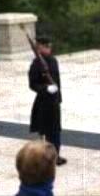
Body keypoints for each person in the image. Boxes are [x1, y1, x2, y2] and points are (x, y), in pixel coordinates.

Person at [28, 35, 67, 166]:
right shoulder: (36, 64)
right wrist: (46, 88)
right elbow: (32, 84)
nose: (49, 48)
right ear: (40, 47)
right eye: (46, 46)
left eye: (49, 46)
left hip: (54, 101)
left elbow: (57, 81)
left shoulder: (53, 60)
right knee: (45, 130)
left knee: (55, 130)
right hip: (44, 102)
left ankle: (55, 155)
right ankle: (45, 156)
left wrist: (59, 97)